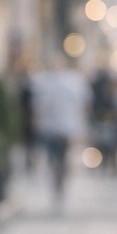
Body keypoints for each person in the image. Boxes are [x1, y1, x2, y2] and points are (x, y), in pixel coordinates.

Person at [31, 57, 89, 205]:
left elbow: (39, 106)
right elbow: (83, 105)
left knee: (54, 156)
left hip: (52, 126)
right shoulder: (74, 82)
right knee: (63, 156)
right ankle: (60, 178)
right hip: (66, 127)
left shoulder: (46, 83)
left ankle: (57, 178)